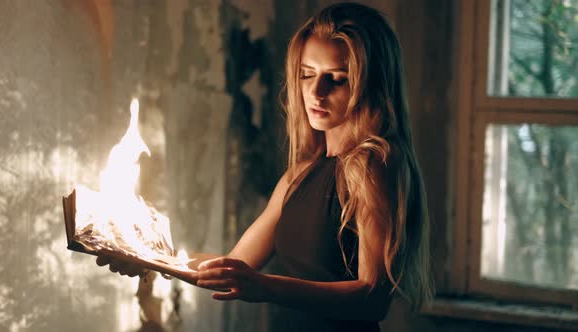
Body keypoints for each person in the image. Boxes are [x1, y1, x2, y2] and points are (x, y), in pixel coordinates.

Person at [98, 2, 433, 331]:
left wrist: (264, 286)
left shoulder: (373, 164)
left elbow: (372, 299)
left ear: (369, 84)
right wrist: (146, 256)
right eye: (307, 74)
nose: (316, 91)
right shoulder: (299, 176)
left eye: (338, 78)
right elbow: (233, 267)